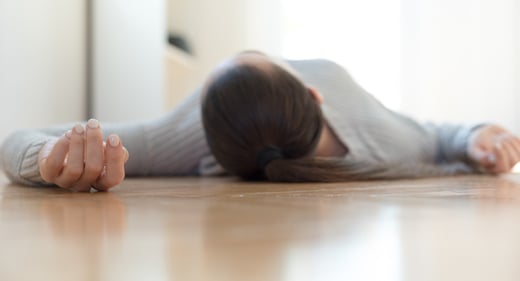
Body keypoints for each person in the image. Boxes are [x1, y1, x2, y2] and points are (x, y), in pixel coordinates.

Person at [1, 51, 519, 191]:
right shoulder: (384, 139)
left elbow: (15, 142)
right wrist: (475, 137)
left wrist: (45, 157)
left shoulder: (193, 136)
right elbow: (440, 137)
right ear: (313, 94)